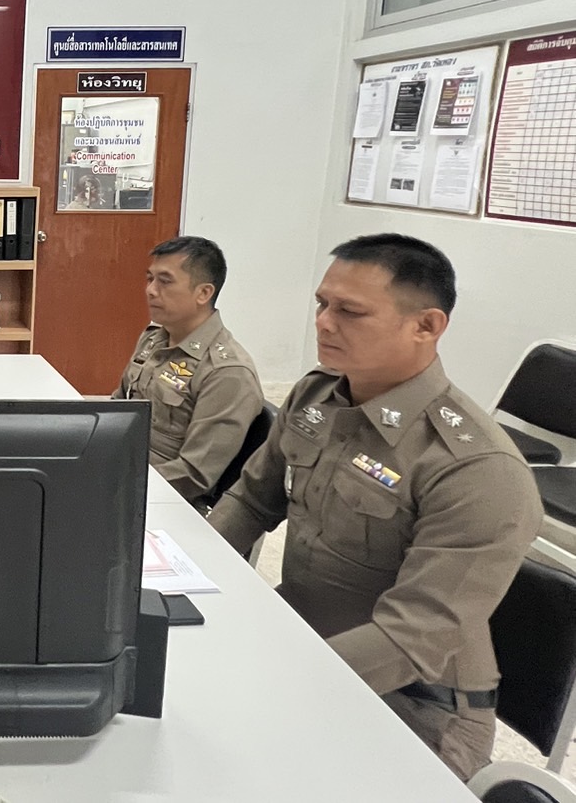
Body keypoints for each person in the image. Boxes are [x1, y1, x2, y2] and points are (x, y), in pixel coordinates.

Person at [210, 234, 541, 782]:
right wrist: (181, 577)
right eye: (322, 304)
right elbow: (250, 501)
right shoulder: (316, 396)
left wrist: (277, 684)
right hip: (302, 642)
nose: (323, 322)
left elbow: (412, 638)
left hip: (413, 703)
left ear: (426, 326)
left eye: (350, 311)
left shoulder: (475, 468)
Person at [113, 236, 263, 506]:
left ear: (203, 293)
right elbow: (118, 407)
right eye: (150, 279)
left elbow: (193, 475)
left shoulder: (227, 372)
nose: (150, 290)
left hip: (163, 500)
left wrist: (115, 483)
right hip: (124, 470)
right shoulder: (153, 339)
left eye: (165, 281)